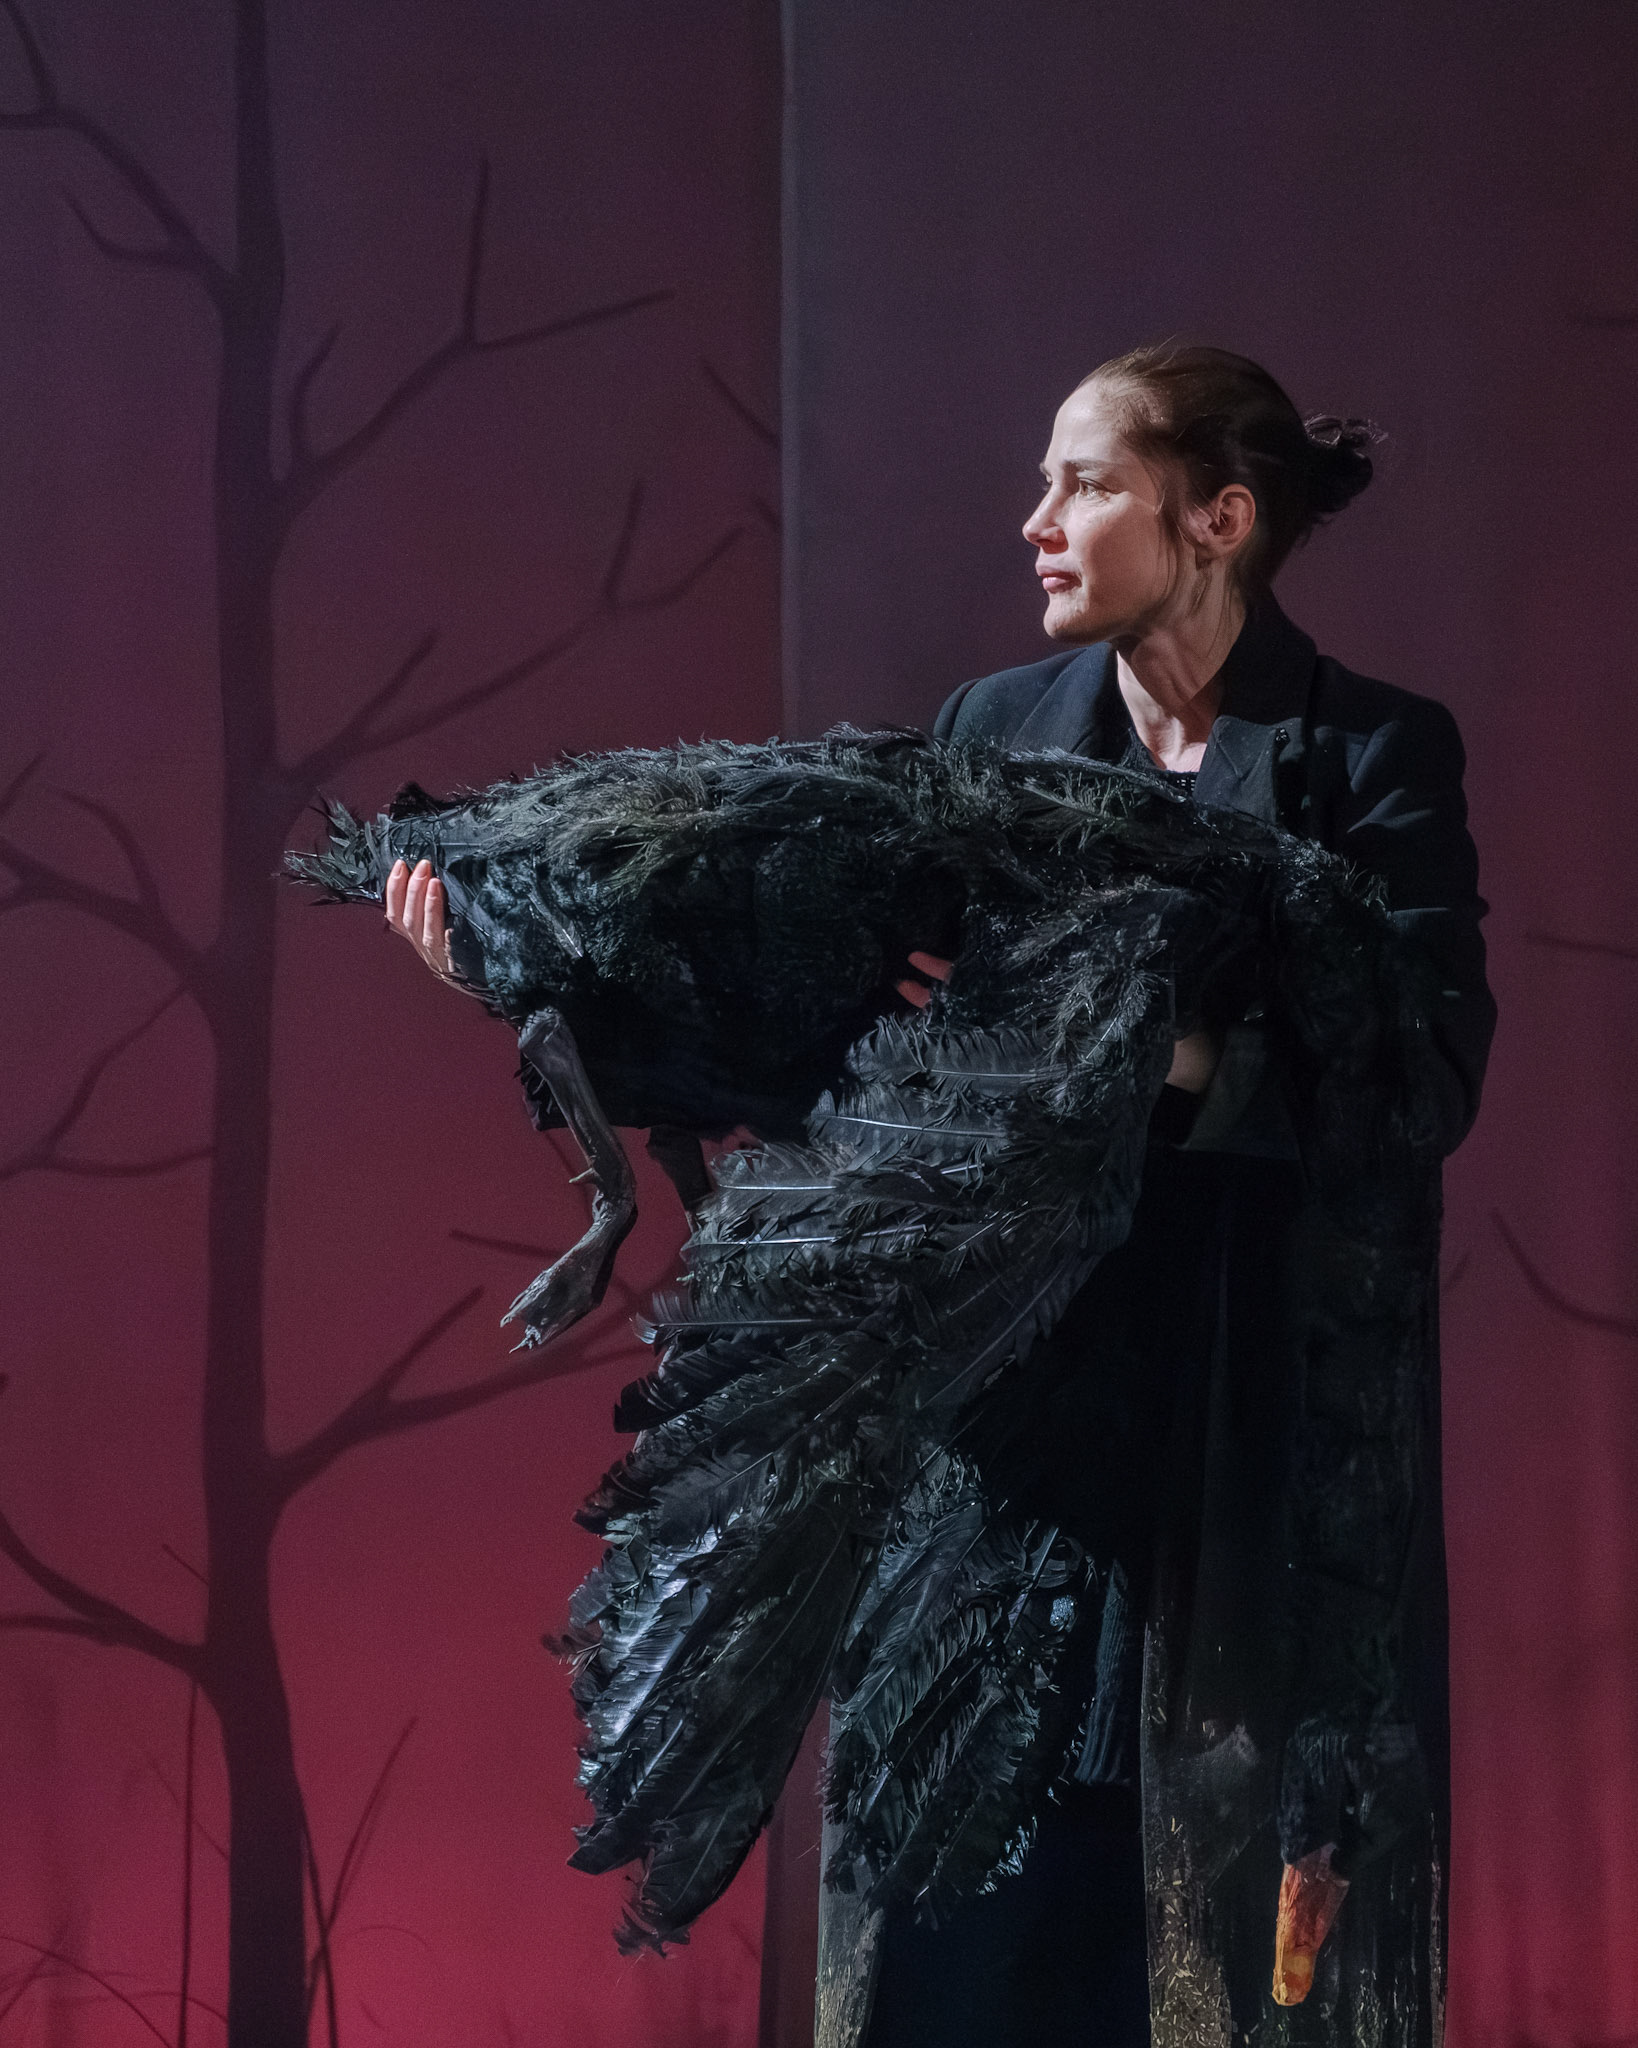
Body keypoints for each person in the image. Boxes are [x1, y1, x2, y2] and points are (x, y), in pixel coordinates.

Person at [387, 343, 1493, 2047]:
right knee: (972, 1912)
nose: (1035, 520)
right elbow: (835, 1040)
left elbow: (1419, 1075)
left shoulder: (1362, 754)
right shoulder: (996, 736)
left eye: (1085, 484)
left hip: (1241, 1431)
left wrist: (1144, 1056)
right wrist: (542, 989)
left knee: (1208, 1923)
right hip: (1008, 1434)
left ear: (1216, 518)